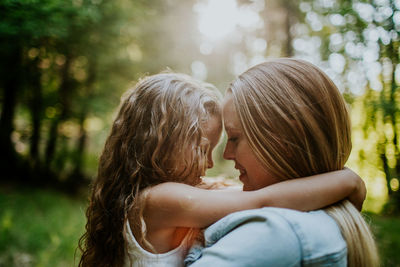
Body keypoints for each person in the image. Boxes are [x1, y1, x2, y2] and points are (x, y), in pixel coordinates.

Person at [78, 72, 366, 267]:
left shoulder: (167, 196)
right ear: (162, 143)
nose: (210, 163)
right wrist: (348, 181)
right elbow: (260, 200)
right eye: (203, 149)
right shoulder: (158, 200)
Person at [185, 58, 379, 267]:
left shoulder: (275, 234)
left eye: (234, 138)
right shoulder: (320, 217)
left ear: (285, 140)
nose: (227, 154)